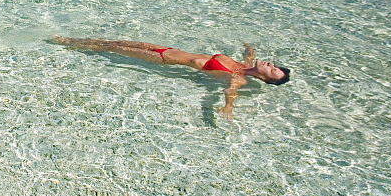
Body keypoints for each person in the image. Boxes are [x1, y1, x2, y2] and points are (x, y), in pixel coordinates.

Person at [51, 37, 290, 118]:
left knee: (111, 49)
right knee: (116, 41)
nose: (271, 65)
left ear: (266, 79)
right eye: (274, 65)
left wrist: (227, 108)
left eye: (272, 70)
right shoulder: (244, 64)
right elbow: (250, 55)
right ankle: (70, 41)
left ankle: (64, 44)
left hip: (166, 59)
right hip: (166, 47)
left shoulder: (239, 79)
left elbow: (230, 93)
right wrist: (250, 49)